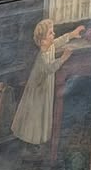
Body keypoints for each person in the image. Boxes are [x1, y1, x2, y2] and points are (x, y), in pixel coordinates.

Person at [11, 17, 85, 147]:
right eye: (51, 33)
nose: (54, 34)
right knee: (35, 114)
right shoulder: (42, 57)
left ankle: (41, 139)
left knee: (43, 113)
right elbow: (50, 69)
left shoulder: (50, 46)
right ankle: (31, 142)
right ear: (43, 40)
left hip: (45, 87)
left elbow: (59, 41)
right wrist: (63, 58)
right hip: (38, 89)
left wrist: (72, 34)